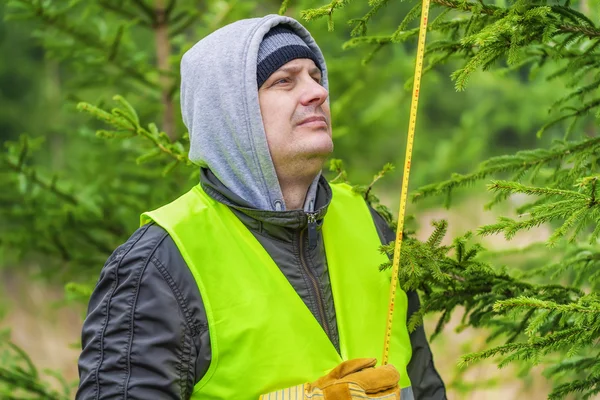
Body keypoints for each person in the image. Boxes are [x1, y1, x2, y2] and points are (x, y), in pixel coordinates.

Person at [76, 14, 446, 400]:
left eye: (316, 77)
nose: (317, 93)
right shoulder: (158, 265)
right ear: (231, 115)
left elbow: (423, 387)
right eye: (284, 81)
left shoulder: (370, 224)